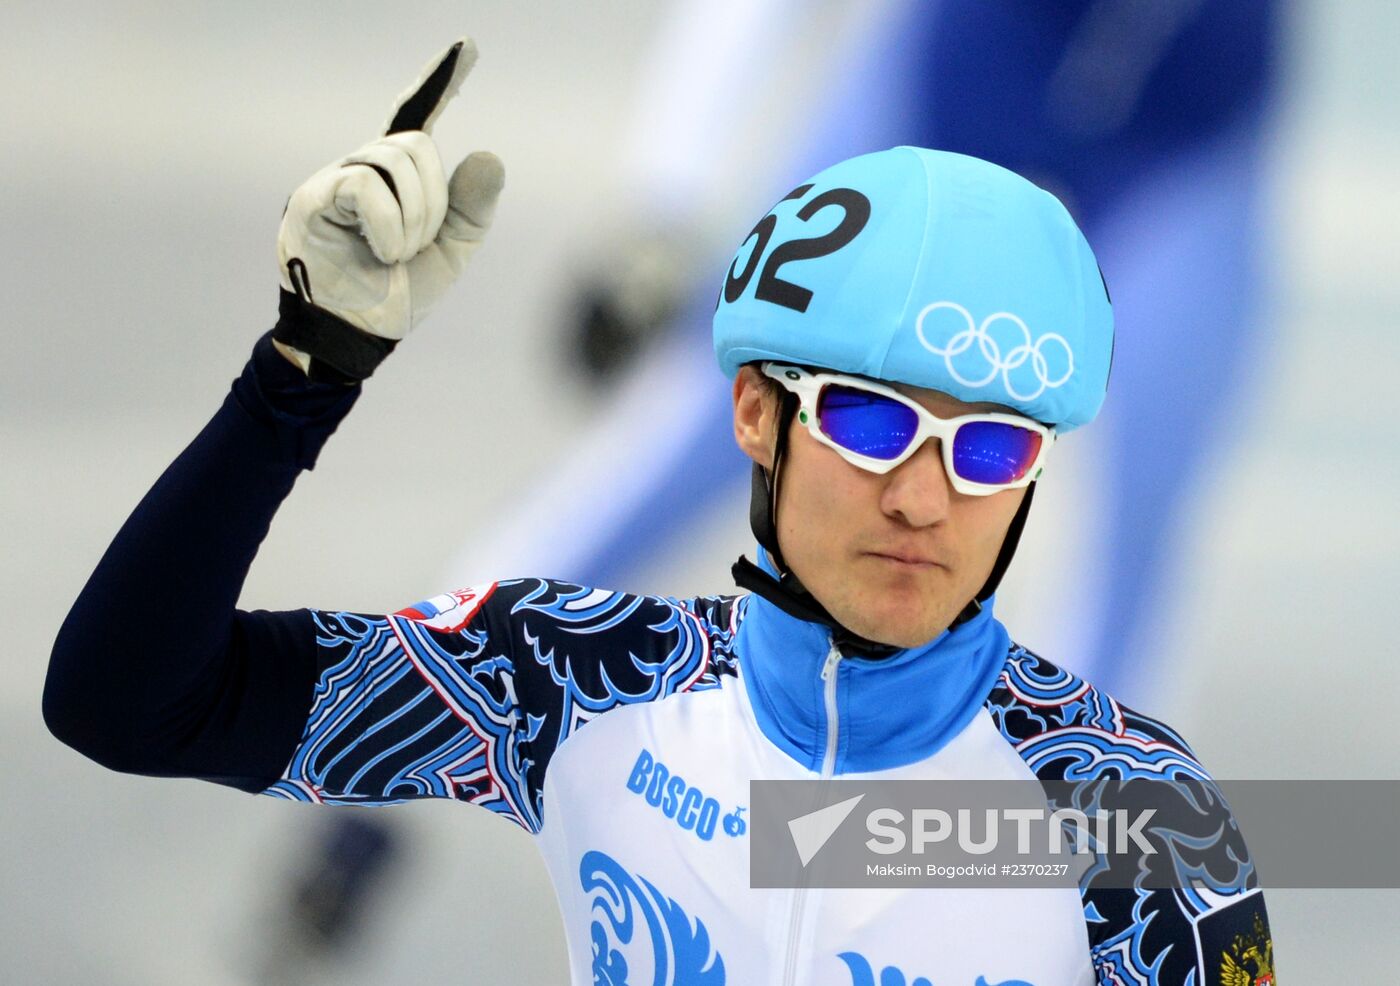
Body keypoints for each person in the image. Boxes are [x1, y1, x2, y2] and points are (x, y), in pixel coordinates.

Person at [44, 37, 1273, 985]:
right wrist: (294, 383)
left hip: (1187, 144)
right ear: (754, 414)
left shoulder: (1135, 808)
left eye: (989, 446)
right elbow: (124, 700)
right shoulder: (585, 680)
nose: (920, 496)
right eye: (867, 420)